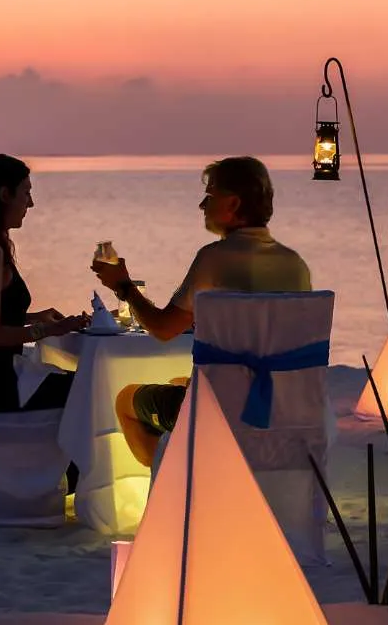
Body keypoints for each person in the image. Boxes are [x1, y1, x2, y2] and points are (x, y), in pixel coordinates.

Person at [90, 156, 311, 466]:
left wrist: (124, 286)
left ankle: (185, 481)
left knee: (126, 398)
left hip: (224, 413)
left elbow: (164, 329)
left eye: (210, 195)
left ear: (232, 203)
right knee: (178, 382)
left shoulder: (214, 259)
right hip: (283, 405)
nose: (201, 205)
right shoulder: (295, 264)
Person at [0, 154, 88, 412]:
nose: (30, 203)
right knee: (96, 390)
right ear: (4, 194)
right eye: (26, 192)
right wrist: (52, 330)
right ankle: (72, 453)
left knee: (85, 386)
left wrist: (34, 318)